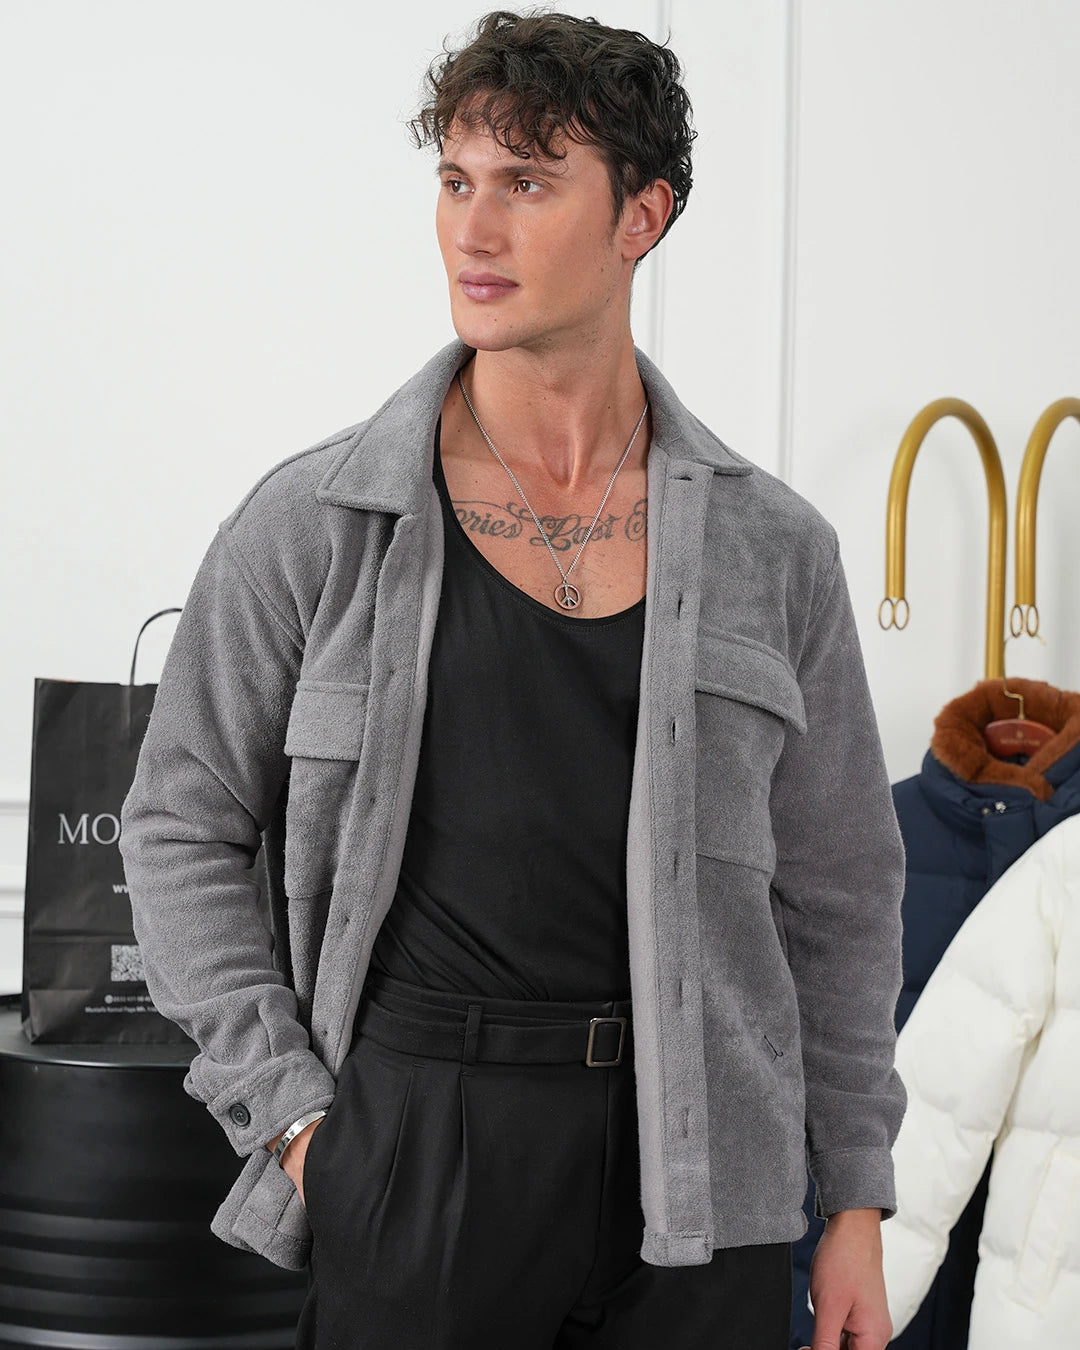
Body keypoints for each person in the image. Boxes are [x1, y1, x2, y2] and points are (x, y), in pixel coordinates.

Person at [119, 10, 907, 1349]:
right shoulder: (316, 523)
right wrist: (301, 1124)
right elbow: (176, 823)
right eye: (456, 179)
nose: (473, 230)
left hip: (708, 1169)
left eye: (529, 183)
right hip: (425, 1145)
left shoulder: (778, 550)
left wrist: (856, 1206)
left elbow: (840, 893)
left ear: (641, 216)